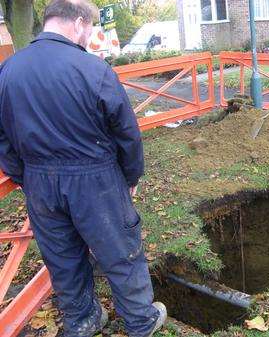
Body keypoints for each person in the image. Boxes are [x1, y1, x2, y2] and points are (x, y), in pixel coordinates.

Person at [0, 1, 166, 336]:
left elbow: (2, 136)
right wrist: (130, 175)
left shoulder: (8, 70)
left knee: (63, 257)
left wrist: (26, 176)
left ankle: (83, 321)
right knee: (119, 250)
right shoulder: (92, 69)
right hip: (94, 178)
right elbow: (126, 131)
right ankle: (140, 320)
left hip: (40, 182)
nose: (89, 36)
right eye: (89, 29)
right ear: (78, 23)